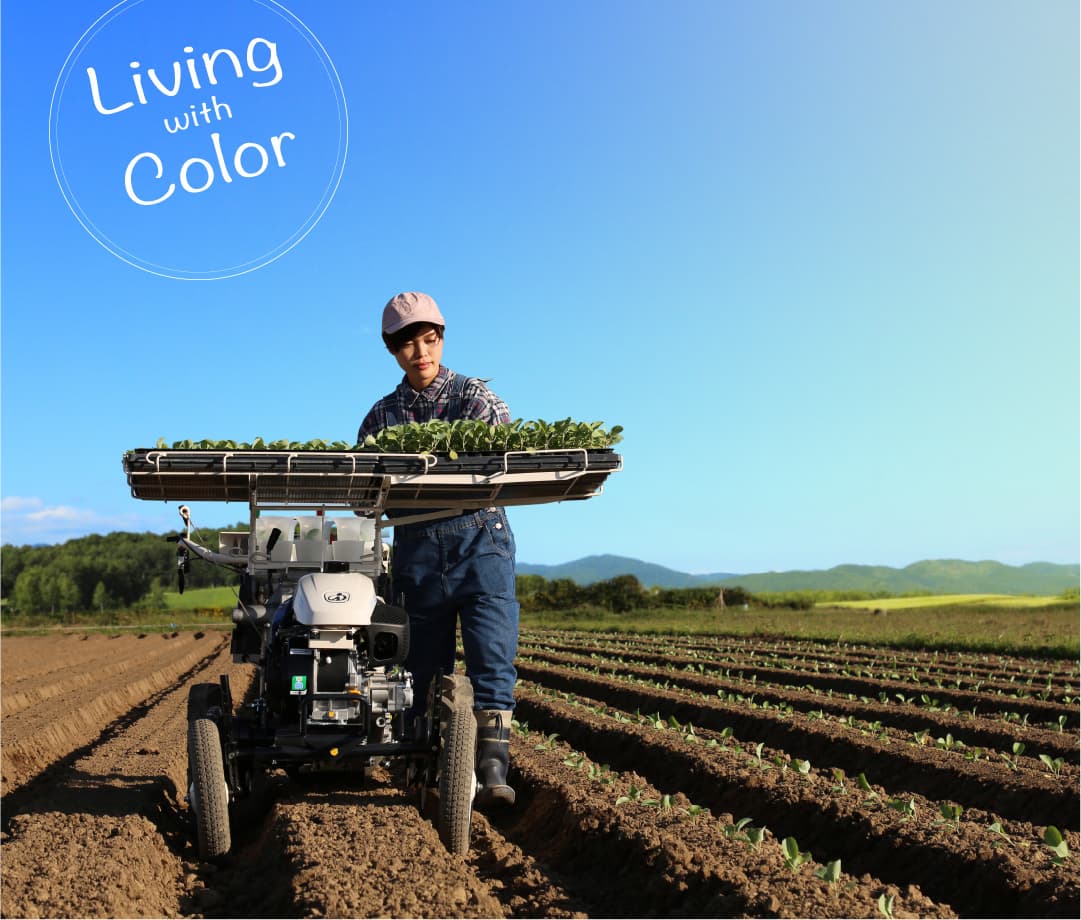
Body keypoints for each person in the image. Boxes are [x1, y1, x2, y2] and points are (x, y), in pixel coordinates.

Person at [358, 291, 519, 807]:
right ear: (392, 350)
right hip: (418, 551)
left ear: (442, 339)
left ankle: (492, 768)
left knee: (491, 656)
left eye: (430, 341)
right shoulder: (380, 418)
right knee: (422, 669)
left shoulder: (477, 399)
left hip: (480, 542)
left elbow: (501, 454)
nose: (421, 353)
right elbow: (365, 499)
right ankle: (422, 767)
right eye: (408, 345)